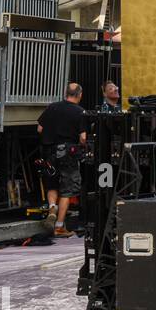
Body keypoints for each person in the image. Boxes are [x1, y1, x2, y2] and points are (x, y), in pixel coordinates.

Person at [38, 83, 88, 238]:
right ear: (79, 95)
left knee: (52, 184)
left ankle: (52, 207)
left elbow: (39, 128)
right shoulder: (80, 112)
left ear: (66, 93)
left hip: (49, 151)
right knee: (67, 189)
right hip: (67, 152)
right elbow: (83, 137)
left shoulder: (52, 107)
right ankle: (59, 226)